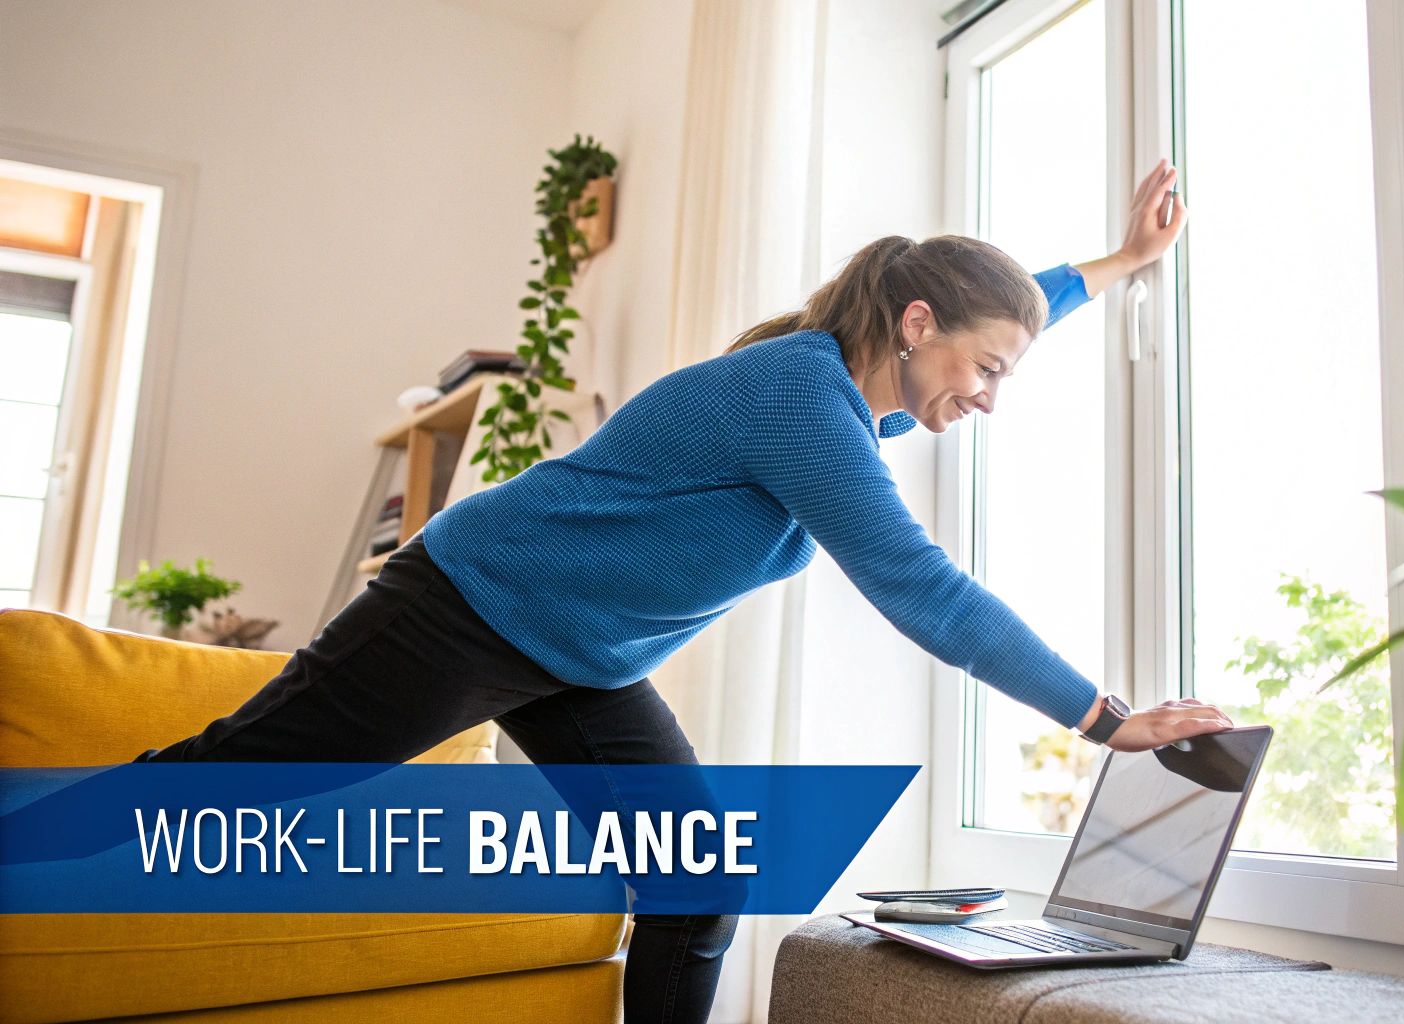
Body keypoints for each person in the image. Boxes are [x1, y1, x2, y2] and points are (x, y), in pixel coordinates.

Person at [131, 158, 1232, 1023]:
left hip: (583, 660)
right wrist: (1101, 715)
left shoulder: (869, 389)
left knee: (693, 884)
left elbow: (1016, 300)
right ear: (914, 325)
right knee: (236, 782)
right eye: (986, 370)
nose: (990, 396)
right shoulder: (803, 398)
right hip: (468, 602)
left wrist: (1123, 260)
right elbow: (921, 589)